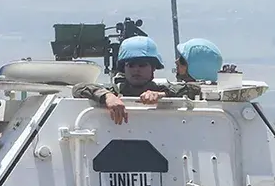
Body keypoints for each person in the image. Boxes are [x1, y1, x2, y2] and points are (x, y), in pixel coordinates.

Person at [72, 35, 201, 124]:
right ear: (124, 68)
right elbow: (78, 88)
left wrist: (162, 94)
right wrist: (107, 97)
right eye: (131, 65)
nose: (136, 70)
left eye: (142, 65)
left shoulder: (160, 89)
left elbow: (194, 88)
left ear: (153, 68)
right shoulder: (114, 91)